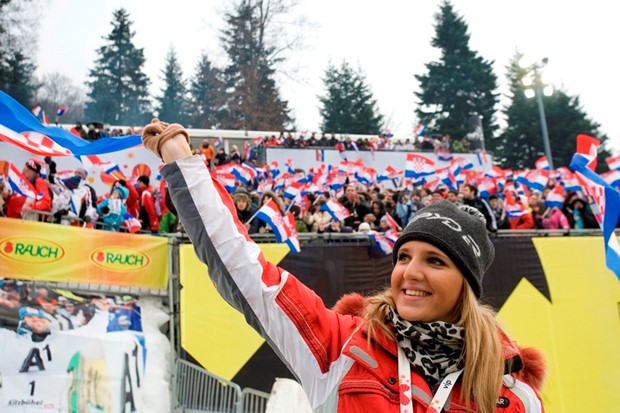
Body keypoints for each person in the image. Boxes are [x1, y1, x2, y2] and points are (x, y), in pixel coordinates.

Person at [141, 119, 546, 413]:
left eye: (435, 261)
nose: (410, 273)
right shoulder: (344, 347)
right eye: (403, 256)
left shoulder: (512, 395)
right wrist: (183, 165)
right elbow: (246, 271)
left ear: (467, 285)